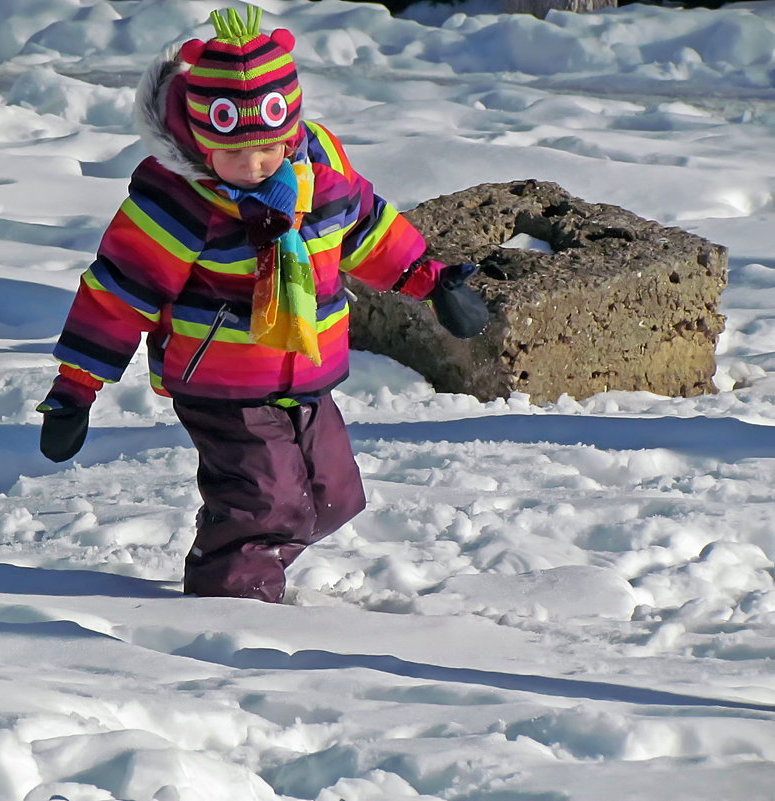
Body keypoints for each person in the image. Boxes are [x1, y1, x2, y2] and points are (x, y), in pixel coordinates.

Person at [37, 6, 488, 603]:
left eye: (265, 151)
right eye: (232, 154)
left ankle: (242, 549)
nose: (251, 167)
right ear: (201, 139)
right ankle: (231, 607)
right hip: (220, 379)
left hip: (306, 368)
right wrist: (76, 387)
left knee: (333, 495)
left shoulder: (318, 169)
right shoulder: (180, 202)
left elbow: (365, 228)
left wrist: (431, 280)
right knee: (266, 500)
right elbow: (119, 291)